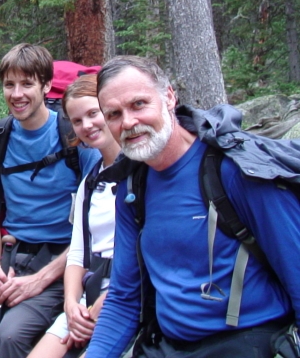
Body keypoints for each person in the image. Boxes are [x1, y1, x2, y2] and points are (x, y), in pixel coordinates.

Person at [86, 55, 300, 358]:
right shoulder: (132, 188)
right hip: (166, 345)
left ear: (169, 97)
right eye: (114, 114)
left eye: (139, 104)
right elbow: (123, 298)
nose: (128, 122)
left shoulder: (236, 172)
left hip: (247, 342)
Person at [0, 44, 100, 358]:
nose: (17, 94)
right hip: (10, 257)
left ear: (46, 85)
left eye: (27, 84)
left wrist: (40, 280)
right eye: (9, 84)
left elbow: (92, 227)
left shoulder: (74, 138)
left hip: (60, 261)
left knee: (11, 336)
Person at [28, 74, 120, 358]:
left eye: (93, 114)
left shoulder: (144, 172)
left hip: (126, 299)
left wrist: (100, 307)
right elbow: (78, 253)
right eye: (77, 121)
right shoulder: (90, 182)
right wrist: (70, 304)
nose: (86, 126)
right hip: (88, 296)